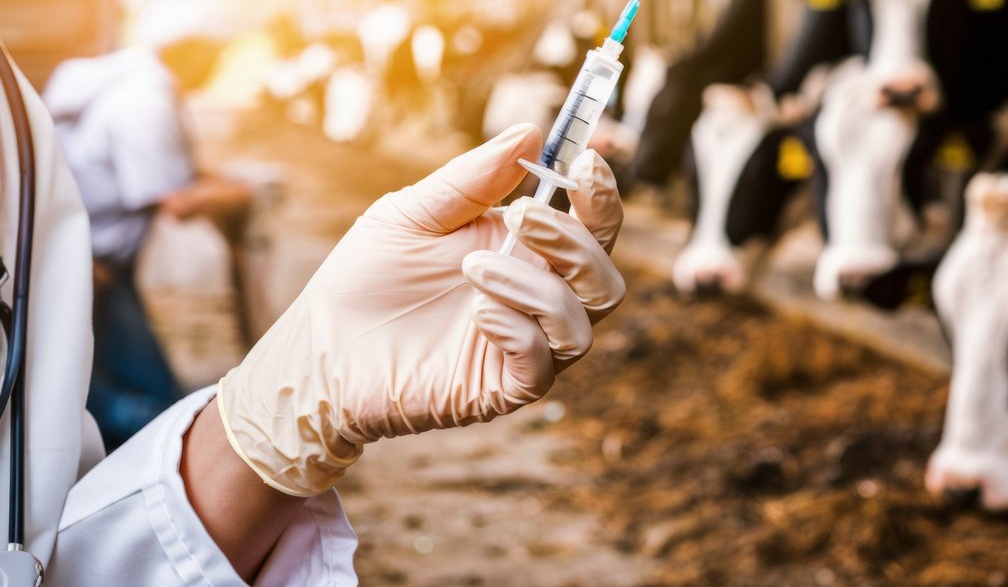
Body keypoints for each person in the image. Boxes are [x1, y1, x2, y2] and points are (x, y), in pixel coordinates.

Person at [0, 43, 624, 583]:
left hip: (88, 274)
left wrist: (303, 394)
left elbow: (60, 564)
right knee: (124, 396)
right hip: (99, 269)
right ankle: (135, 434)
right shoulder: (137, 97)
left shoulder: (20, 109)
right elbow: (174, 197)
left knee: (85, 401)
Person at [41, 0, 252, 450]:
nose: (215, 67)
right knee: (148, 400)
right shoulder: (145, 104)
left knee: (97, 382)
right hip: (87, 264)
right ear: (190, 51)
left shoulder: (139, 85)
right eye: (214, 56)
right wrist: (239, 191)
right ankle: (148, 476)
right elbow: (175, 200)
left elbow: (176, 174)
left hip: (85, 258)